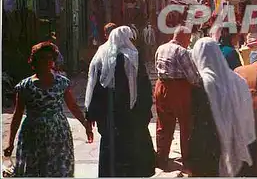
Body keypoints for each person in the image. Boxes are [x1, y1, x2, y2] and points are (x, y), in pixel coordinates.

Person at [3, 41, 93, 177]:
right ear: (35, 61)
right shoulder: (24, 86)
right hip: (33, 136)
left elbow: (73, 107)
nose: (46, 61)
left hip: (58, 136)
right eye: (42, 58)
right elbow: (17, 115)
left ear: (53, 61)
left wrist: (86, 125)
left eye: (50, 58)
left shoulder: (62, 83)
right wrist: (10, 143)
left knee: (58, 170)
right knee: (35, 171)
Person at [84, 26, 155, 177]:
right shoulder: (133, 56)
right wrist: (145, 111)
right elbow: (143, 87)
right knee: (131, 152)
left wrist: (91, 113)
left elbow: (94, 85)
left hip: (109, 114)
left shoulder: (101, 54)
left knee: (111, 151)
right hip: (131, 114)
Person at [189, 37, 257, 176]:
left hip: (212, 152)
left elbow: (198, 124)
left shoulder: (202, 84)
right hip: (245, 146)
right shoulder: (239, 80)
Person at [154, 26, 201, 171]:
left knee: (163, 124)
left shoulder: (161, 48)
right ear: (184, 37)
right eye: (189, 39)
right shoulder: (182, 51)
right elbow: (192, 77)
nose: (189, 42)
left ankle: (162, 158)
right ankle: (187, 159)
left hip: (161, 86)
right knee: (186, 125)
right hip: (178, 89)